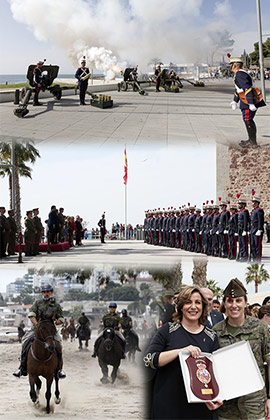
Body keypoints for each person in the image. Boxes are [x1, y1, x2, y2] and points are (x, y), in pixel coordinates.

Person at [144, 286, 222, 419]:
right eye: (188, 302)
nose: (193, 307)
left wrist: (214, 398)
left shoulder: (211, 336)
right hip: (168, 404)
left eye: (197, 302)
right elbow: (149, 359)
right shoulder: (167, 330)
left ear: (203, 307)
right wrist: (181, 351)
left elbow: (216, 374)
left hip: (199, 408)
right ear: (180, 306)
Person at [214, 279, 270, 420]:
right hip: (227, 407)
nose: (234, 305)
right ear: (224, 304)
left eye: (238, 301)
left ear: (246, 303)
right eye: (230, 301)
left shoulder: (260, 328)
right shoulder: (215, 331)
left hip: (255, 404)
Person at [13, 284, 66, 379]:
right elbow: (31, 315)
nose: (46, 294)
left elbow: (61, 317)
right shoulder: (37, 303)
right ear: (42, 293)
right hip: (36, 329)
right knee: (25, 341)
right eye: (44, 292)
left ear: (51, 292)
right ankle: (22, 367)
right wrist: (37, 325)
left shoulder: (56, 305)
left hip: (50, 330)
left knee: (59, 344)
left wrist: (59, 321)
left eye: (48, 292)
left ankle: (59, 370)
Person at [229, 56, 265, 148]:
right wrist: (234, 101)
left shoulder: (240, 74)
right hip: (245, 100)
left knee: (248, 120)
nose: (230, 67)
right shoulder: (239, 74)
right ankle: (251, 140)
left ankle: (252, 142)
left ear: (235, 65)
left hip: (247, 101)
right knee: (247, 120)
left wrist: (250, 103)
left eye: (231, 65)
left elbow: (247, 88)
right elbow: (238, 89)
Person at [250, 195, 264, 262]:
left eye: (254, 202)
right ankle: (254, 258)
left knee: (257, 245)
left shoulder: (259, 210)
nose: (252, 203)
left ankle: (258, 260)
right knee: (253, 245)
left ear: (257, 203)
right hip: (252, 229)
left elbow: (260, 220)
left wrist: (260, 229)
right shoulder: (253, 211)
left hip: (257, 229)